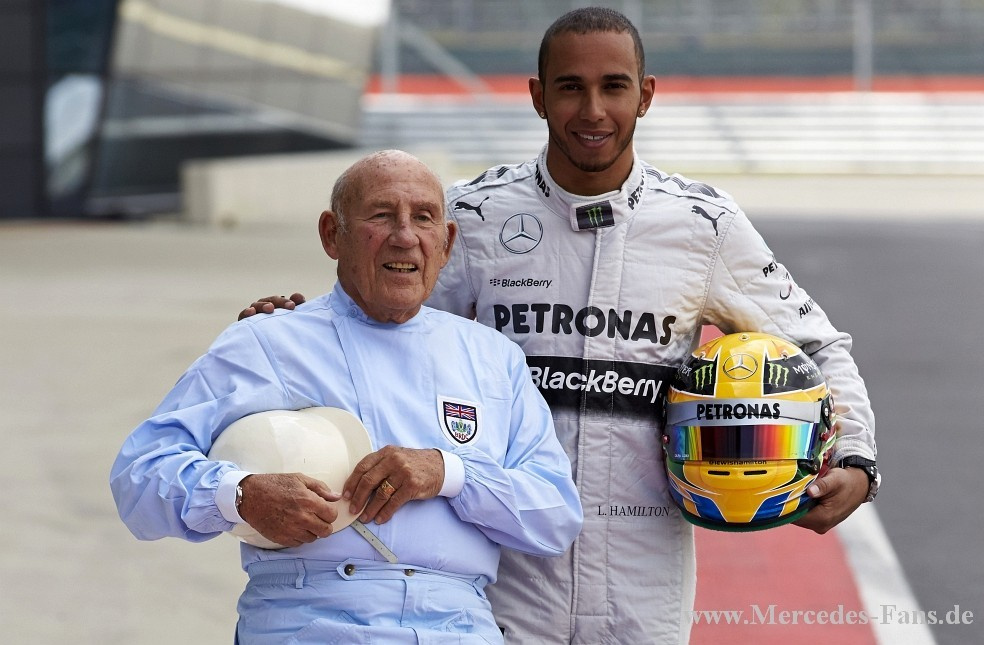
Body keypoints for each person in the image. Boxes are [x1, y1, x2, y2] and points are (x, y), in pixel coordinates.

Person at [240, 7, 878, 644]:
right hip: (500, 561)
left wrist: (856, 459)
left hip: (643, 568)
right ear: (538, 96)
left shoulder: (702, 224)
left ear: (645, 95)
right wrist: (298, 326)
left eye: (613, 87)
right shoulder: (474, 215)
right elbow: (378, 320)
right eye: (570, 87)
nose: (592, 110)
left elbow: (817, 344)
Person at [111, 149, 584, 644]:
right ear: (331, 235)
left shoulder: (491, 357)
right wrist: (241, 495)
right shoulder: (268, 341)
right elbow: (139, 475)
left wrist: (449, 473)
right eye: (381, 215)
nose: (405, 236)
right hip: (309, 620)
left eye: (423, 218)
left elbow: (555, 516)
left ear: (446, 244)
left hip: (457, 625)